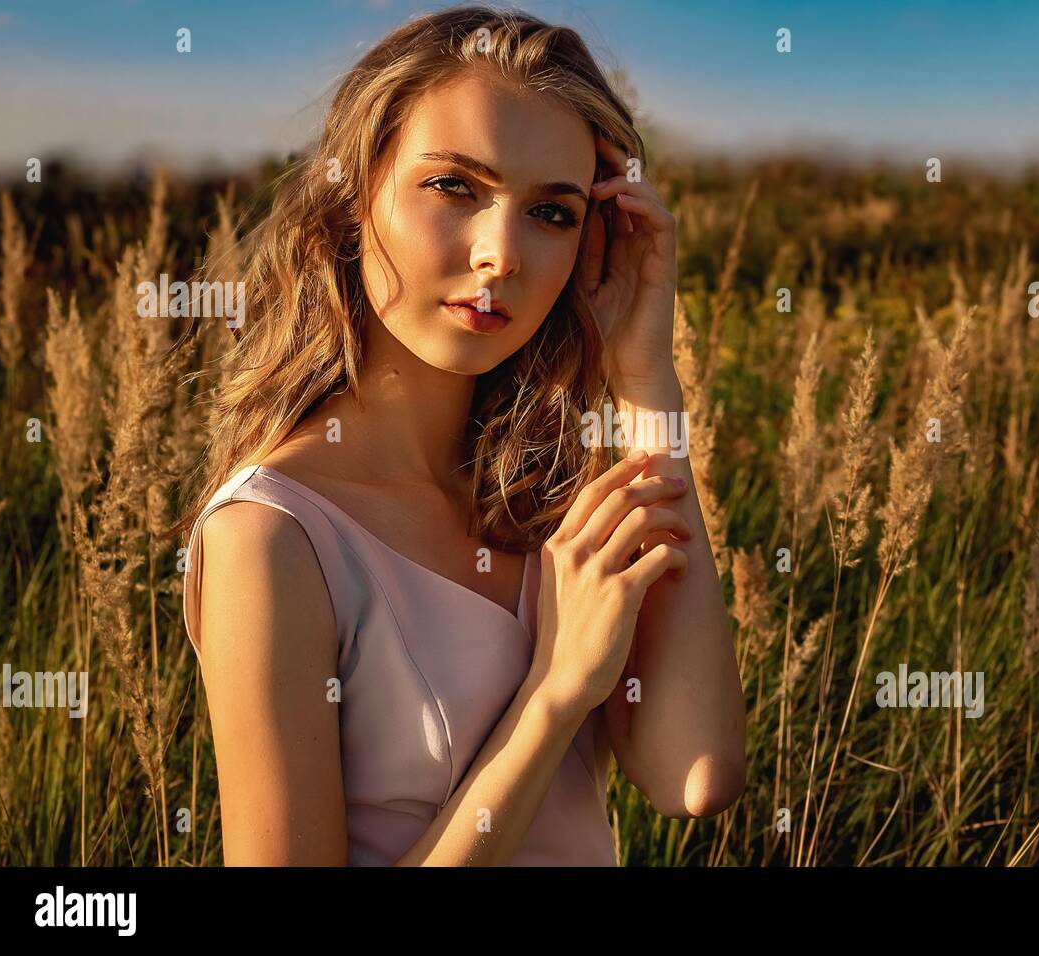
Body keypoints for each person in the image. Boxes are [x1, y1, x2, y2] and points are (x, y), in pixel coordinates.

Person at [173, 5, 745, 866]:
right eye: (454, 187)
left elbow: (693, 776)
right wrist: (553, 696)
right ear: (354, 192)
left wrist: (644, 379)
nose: (501, 254)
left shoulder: (552, 496)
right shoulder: (272, 539)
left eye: (551, 213)